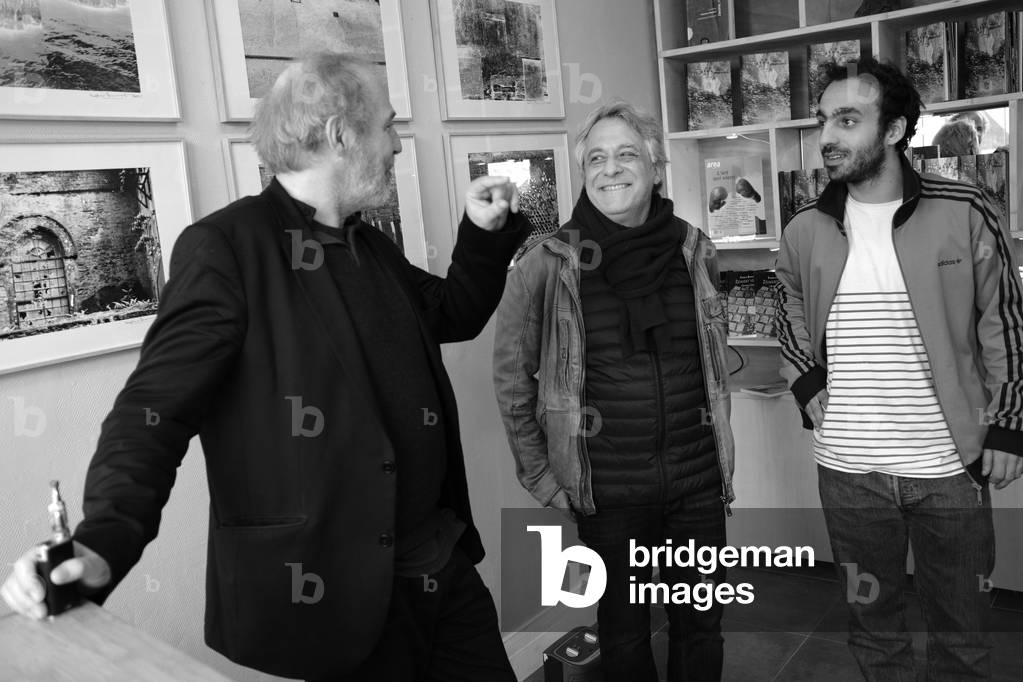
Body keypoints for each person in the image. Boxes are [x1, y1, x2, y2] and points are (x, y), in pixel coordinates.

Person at [1, 53, 530, 682]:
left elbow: (452, 314)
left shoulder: (371, 244)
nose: (397, 143)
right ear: (341, 134)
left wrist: (483, 232)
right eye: (388, 126)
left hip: (440, 568)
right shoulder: (226, 249)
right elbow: (154, 412)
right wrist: (102, 538)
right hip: (342, 598)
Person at [776, 56, 1023, 681]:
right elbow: (789, 306)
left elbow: (1006, 320)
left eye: (848, 119)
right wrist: (806, 379)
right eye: (825, 119)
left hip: (949, 468)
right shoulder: (807, 227)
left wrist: (1011, 422)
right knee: (874, 633)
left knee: (963, 635)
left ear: (892, 130)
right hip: (847, 469)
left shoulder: (966, 208)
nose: (828, 136)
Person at [493, 100, 735, 682]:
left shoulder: (694, 249)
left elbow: (710, 358)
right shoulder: (547, 263)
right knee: (624, 629)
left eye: (626, 154)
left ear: (655, 167)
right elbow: (510, 378)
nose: (611, 169)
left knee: (700, 625)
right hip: (607, 489)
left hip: (696, 481)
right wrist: (543, 477)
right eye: (596, 158)